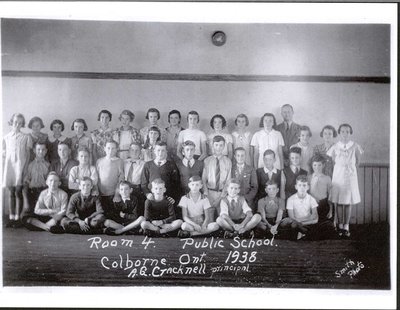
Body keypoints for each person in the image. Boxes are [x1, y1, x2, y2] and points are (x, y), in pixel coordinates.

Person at [327, 123, 363, 238]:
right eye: (342, 131)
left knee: (347, 201)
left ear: (350, 133)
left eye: (347, 131)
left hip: (350, 176)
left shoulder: (355, 146)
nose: (345, 134)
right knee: (339, 201)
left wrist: (350, 170)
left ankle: (346, 226)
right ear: (339, 133)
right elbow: (333, 161)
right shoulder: (335, 146)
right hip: (338, 175)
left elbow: (358, 162)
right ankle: (340, 225)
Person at [3, 113, 33, 227]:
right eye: (15, 122)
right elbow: (4, 154)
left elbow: (29, 155)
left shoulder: (26, 137)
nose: (17, 125)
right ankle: (11, 217)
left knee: (18, 192)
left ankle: (18, 219)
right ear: (11, 122)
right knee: (11, 192)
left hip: (20, 167)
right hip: (10, 168)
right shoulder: (6, 137)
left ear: (22, 124)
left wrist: (25, 169)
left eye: (20, 123)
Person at [286, 175, 336, 240]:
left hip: (308, 225)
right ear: (296, 187)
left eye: (304, 185)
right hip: (296, 224)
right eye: (299, 185)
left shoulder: (311, 199)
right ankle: (306, 235)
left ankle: (304, 234)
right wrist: (308, 219)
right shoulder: (290, 199)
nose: (302, 188)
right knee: (292, 224)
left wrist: (302, 222)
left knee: (327, 225)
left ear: (308, 187)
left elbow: (316, 219)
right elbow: (292, 218)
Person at [141, 141, 180, 205]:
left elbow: (176, 184)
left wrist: (173, 197)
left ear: (166, 152)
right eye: (158, 150)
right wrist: (147, 194)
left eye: (163, 150)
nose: (160, 153)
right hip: (152, 199)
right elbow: (143, 183)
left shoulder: (172, 165)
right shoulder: (148, 165)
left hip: (167, 199)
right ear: (154, 151)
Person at [202, 135, 232, 215]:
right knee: (210, 221)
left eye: (221, 145)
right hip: (209, 193)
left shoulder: (228, 161)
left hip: (222, 194)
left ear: (224, 146)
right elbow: (204, 180)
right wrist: (207, 195)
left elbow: (228, 181)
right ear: (212, 145)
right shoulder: (207, 161)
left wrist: (221, 197)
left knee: (222, 219)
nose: (218, 148)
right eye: (216, 145)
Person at [96, 140, 124, 212]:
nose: (110, 150)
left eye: (113, 148)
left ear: (117, 149)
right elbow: (96, 178)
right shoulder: (99, 161)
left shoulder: (119, 161)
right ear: (104, 148)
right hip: (101, 194)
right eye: (108, 148)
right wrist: (97, 191)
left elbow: (121, 178)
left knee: (113, 214)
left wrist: (117, 193)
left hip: (113, 194)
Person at [22, 142, 50, 215]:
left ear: (46, 151)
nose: (41, 151)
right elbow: (25, 183)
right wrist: (26, 201)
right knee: (26, 218)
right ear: (34, 150)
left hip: (44, 194)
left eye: (43, 149)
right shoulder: (30, 165)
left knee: (43, 216)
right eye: (38, 149)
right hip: (32, 193)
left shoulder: (48, 165)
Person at [122, 142, 146, 214]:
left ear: (140, 152)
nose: (134, 152)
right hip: (124, 188)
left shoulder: (144, 164)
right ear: (129, 151)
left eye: (137, 150)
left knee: (136, 211)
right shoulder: (123, 162)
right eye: (132, 150)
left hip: (137, 189)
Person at [308, 154, 333, 221]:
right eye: (315, 165)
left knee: (323, 224)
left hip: (323, 204)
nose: (317, 167)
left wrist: (331, 210)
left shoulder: (327, 178)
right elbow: (306, 192)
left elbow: (330, 195)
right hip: (311, 203)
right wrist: (312, 198)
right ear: (312, 165)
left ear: (323, 165)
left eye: (319, 165)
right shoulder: (309, 178)